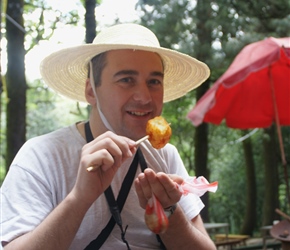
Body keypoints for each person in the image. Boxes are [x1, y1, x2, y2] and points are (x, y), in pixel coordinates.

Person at [0, 23, 216, 250]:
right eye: (126, 80)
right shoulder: (42, 155)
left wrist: (170, 210)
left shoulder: (164, 156)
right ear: (91, 91)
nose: (144, 97)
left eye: (154, 81)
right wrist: (80, 198)